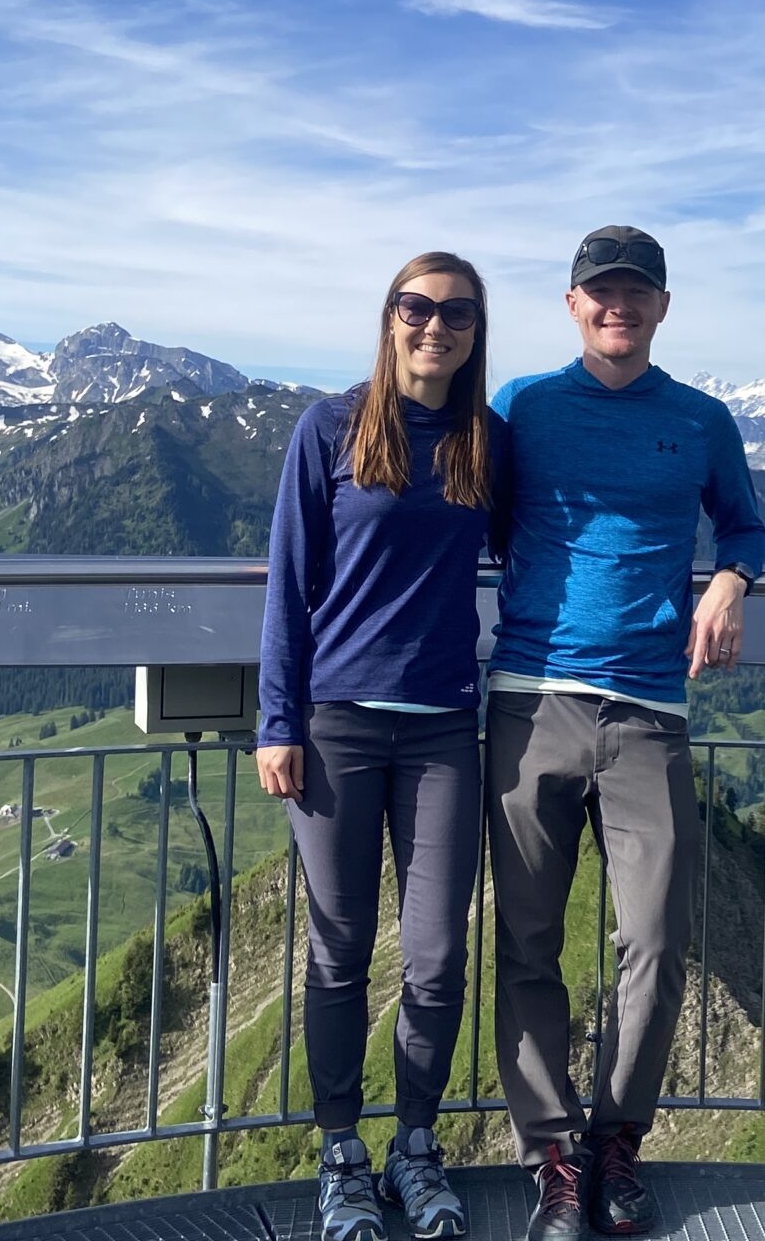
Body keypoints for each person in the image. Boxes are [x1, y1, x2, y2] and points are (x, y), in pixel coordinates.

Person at [486, 224, 765, 1240]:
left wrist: (732, 580)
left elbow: (744, 525)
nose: (618, 306)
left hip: (651, 710)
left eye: (635, 292)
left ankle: (618, 1140)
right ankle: (553, 1159)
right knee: (525, 945)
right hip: (528, 698)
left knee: (654, 941)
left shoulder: (700, 421)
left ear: (661, 306)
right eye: (600, 292)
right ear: (571, 305)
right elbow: (455, 521)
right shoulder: (519, 407)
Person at [257, 252, 507, 1241]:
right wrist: (277, 721)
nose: (433, 325)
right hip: (336, 727)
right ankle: (339, 1154)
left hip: (445, 724)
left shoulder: (487, 441)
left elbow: (550, 543)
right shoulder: (329, 428)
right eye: (415, 306)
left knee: (437, 956)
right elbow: (288, 580)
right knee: (339, 951)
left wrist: (723, 574)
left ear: (477, 330)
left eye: (455, 311)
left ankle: (414, 1144)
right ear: (388, 317)